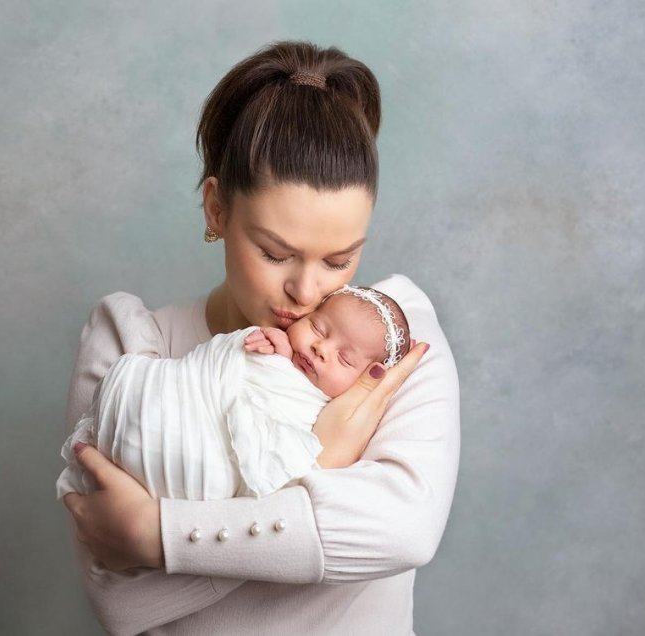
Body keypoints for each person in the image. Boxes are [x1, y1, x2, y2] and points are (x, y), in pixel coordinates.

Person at [63, 40, 460, 635]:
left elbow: (405, 530)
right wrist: (326, 465)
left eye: (340, 259)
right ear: (217, 209)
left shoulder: (389, 340)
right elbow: (124, 603)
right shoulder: (134, 348)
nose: (305, 290)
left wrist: (158, 535)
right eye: (276, 253)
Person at [56, 286, 416, 504]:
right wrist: (276, 349)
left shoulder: (344, 409)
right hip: (184, 396)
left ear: (364, 380)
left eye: (344, 358)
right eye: (319, 327)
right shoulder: (120, 325)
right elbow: (244, 362)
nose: (321, 348)